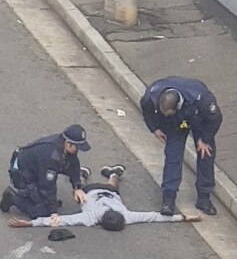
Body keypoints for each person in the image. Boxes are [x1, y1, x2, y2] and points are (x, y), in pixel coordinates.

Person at [8, 164, 201, 230]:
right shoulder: (90, 218)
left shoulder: (124, 215)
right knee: (83, 192)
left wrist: (183, 217)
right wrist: (30, 224)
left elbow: (154, 216)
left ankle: (112, 172)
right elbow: (61, 221)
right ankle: (92, 174)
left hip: (104, 192)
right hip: (94, 191)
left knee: (104, 187)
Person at [140, 76, 222, 216]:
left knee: (205, 155)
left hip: (198, 118)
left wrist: (204, 139)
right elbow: (146, 109)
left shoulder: (202, 99)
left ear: (176, 106)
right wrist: (154, 128)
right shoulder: (152, 95)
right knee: (173, 156)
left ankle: (204, 197)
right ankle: (169, 199)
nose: (164, 115)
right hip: (175, 123)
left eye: (167, 113)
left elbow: (215, 119)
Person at [0, 124, 91, 222]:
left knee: (66, 167)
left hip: (38, 166)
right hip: (22, 173)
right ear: (68, 143)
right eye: (77, 147)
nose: (78, 150)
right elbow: (47, 185)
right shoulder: (51, 156)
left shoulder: (63, 145)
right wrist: (53, 211)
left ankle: (43, 200)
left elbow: (73, 164)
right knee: (42, 212)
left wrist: (76, 186)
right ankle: (11, 197)